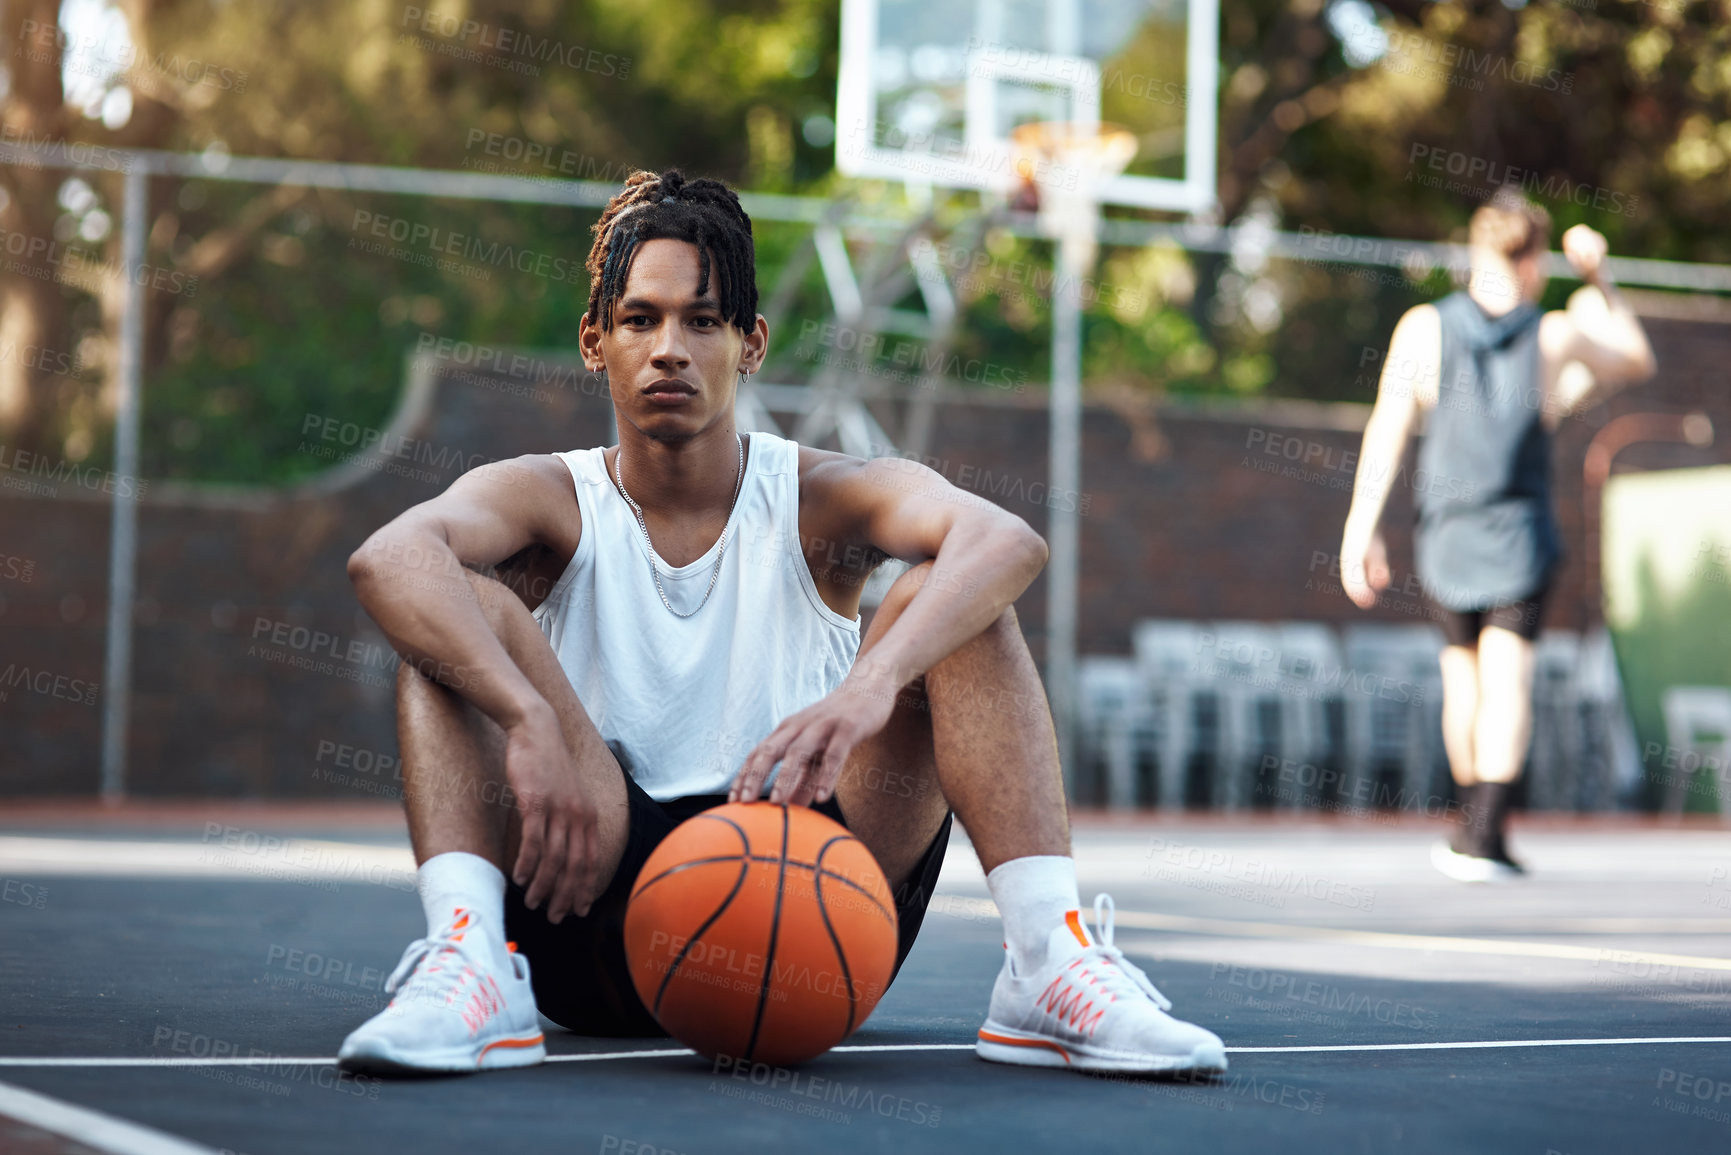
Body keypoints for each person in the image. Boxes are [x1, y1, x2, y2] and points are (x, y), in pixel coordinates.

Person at [335, 168, 1226, 1075]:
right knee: (456, 612)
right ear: (593, 341)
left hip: (809, 905)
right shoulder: (548, 497)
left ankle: (1048, 962)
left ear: (751, 343)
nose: (670, 348)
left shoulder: (818, 496)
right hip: (586, 910)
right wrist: (522, 717)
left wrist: (869, 685)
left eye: (704, 320)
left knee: (953, 602)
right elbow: (390, 558)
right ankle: (472, 959)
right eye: (640, 319)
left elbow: (1007, 541)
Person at [1339, 189, 1655, 882]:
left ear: (1475, 249)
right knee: (1506, 682)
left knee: (1464, 682)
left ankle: (1469, 829)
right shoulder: (1552, 333)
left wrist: (1360, 528)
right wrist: (1598, 276)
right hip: (1517, 532)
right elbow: (1637, 359)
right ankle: (1485, 833)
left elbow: (1386, 428)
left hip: (1445, 531)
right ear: (1534, 259)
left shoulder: (1422, 326)